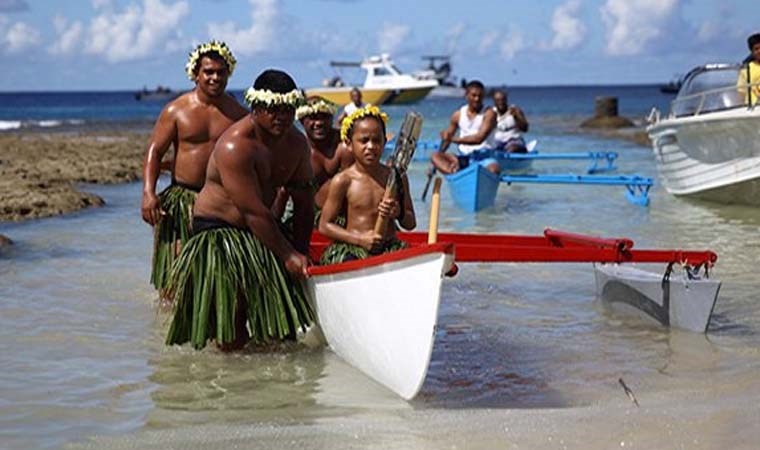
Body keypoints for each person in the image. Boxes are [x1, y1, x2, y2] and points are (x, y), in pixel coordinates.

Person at [164, 69, 315, 351]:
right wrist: (288, 255)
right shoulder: (235, 146)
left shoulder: (297, 144)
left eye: (287, 110)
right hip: (219, 230)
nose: (281, 116)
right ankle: (227, 379)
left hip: (263, 229)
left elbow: (305, 202)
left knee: (278, 333)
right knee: (231, 328)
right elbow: (253, 212)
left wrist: (302, 249)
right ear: (255, 108)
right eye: (272, 110)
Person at [141, 40, 247, 299]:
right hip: (182, 197)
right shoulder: (176, 110)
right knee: (174, 271)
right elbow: (155, 151)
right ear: (196, 74)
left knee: (218, 272)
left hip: (220, 200)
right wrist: (148, 193)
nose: (215, 77)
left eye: (220, 72)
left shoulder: (237, 113)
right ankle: (164, 329)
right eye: (208, 72)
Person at [318, 105, 416, 264]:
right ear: (349, 144)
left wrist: (399, 213)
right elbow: (324, 225)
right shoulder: (343, 180)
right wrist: (359, 239)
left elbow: (410, 223)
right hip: (354, 249)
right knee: (349, 263)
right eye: (364, 141)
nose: (370, 146)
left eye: (376, 140)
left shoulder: (396, 177)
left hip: (389, 246)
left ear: (385, 141)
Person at [273, 96, 353, 224]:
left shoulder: (345, 145)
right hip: (312, 216)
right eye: (313, 118)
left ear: (332, 119)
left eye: (324, 117)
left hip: (347, 214)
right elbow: (283, 193)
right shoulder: (297, 151)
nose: (319, 123)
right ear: (301, 121)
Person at [430, 80, 500, 175]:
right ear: (466, 95)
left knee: (494, 169)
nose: (477, 99)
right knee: (435, 156)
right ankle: (456, 171)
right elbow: (446, 141)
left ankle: (464, 173)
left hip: (485, 158)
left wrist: (452, 139)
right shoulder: (458, 115)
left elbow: (479, 139)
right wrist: (434, 165)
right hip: (463, 157)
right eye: (474, 95)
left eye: (480, 96)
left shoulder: (489, 114)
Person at [737, 33, 760, 106]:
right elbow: (741, 91)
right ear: (752, 52)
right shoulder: (745, 69)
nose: (759, 51)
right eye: (756, 49)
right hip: (752, 107)